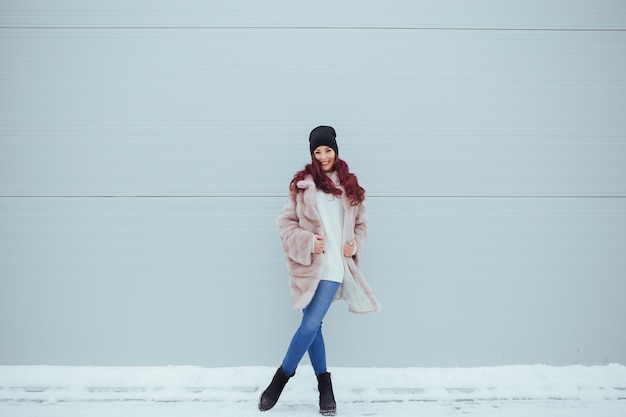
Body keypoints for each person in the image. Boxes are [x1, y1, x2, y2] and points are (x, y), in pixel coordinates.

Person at [259, 126, 381, 416]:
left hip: (334, 267)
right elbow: (285, 225)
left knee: (311, 325)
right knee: (315, 328)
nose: (323, 156)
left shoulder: (350, 186)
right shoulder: (301, 186)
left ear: (336, 151)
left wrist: (355, 245)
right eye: (318, 151)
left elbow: (361, 225)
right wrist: (308, 241)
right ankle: (325, 388)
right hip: (308, 267)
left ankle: (280, 379)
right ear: (312, 155)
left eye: (327, 150)